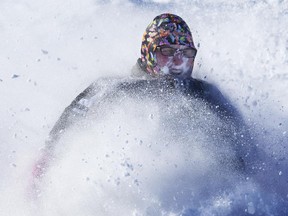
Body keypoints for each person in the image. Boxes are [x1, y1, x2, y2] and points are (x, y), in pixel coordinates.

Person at [30, 13, 250, 195]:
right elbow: (62, 135)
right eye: (167, 51)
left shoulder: (207, 96)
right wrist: (40, 173)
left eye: (186, 52)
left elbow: (245, 155)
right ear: (148, 52)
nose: (178, 60)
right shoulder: (115, 89)